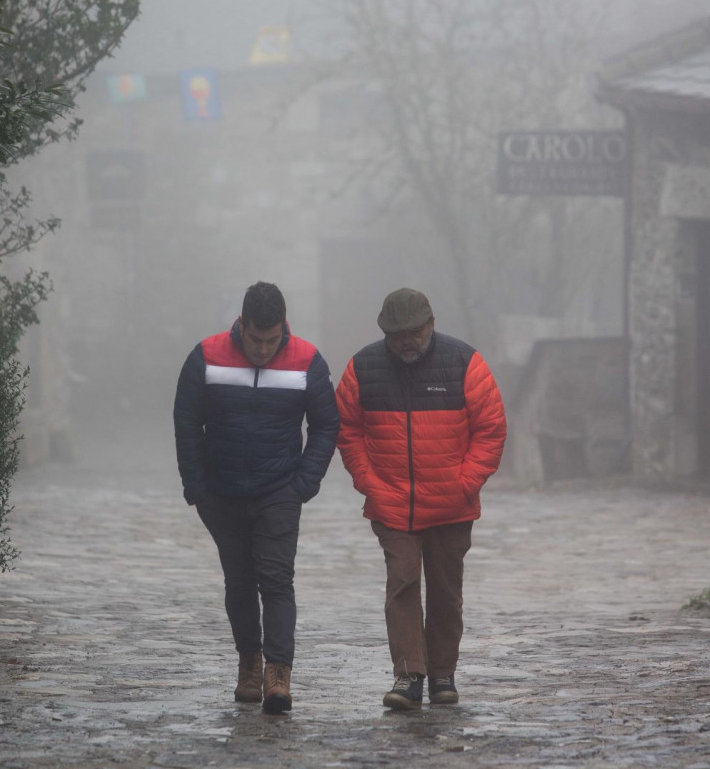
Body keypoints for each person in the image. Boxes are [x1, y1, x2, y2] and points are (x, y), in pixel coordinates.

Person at [334, 288, 507, 709]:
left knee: (446, 592)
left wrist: (464, 483)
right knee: (403, 583)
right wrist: (369, 482)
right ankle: (410, 675)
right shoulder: (362, 368)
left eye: (414, 332)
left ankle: (443, 674)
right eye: (397, 335)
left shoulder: (466, 363)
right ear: (385, 334)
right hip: (392, 504)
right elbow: (347, 430)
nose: (407, 341)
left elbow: (491, 429)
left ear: (431, 324)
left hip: (452, 505)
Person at [173, 281, 338, 714]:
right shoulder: (205, 357)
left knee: (277, 579)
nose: (264, 349)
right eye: (255, 339)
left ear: (283, 327)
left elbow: (326, 425)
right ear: (241, 325)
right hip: (220, 492)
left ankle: (278, 672)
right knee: (239, 581)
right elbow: (186, 422)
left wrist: (304, 483)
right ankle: (249, 660)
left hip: (279, 490)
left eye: (272, 339)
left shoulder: (306, 361)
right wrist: (196, 487)